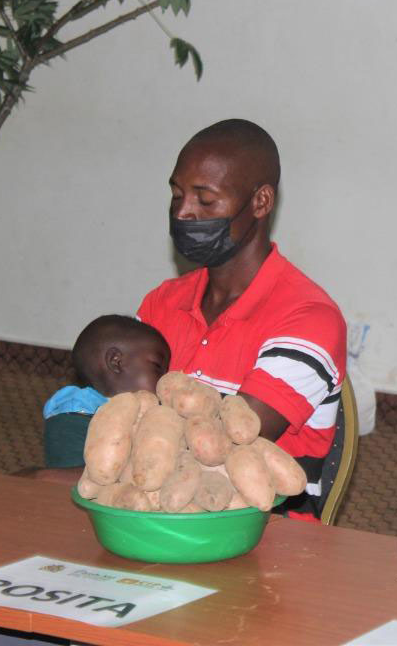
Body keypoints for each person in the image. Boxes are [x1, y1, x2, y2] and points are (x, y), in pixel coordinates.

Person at [138, 118, 347, 520]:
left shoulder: (309, 320)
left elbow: (222, 445)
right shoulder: (162, 303)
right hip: (152, 511)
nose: (183, 214)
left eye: (205, 200)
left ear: (260, 202)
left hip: (267, 535)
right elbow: (118, 413)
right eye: (177, 195)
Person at [41, 315, 170, 468]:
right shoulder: (74, 416)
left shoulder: (144, 414)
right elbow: (79, 480)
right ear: (116, 361)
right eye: (157, 367)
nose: (164, 380)